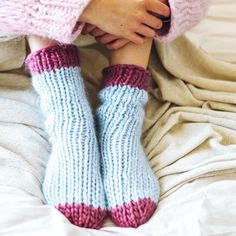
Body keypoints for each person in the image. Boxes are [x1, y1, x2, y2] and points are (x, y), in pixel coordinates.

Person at [1, 0, 210, 229]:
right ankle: (69, 117)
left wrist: (150, 13)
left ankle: (120, 120)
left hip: (136, 42)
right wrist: (87, 8)